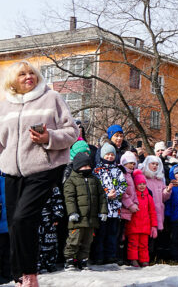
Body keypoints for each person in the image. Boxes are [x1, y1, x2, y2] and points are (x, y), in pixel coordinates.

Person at [0, 60, 79, 286]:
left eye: (32, 73)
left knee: (23, 218)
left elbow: (72, 132)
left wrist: (48, 138)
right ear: (13, 80)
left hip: (45, 168)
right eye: (22, 74)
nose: (28, 77)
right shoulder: (4, 106)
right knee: (16, 225)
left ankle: (30, 275)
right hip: (12, 171)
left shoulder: (51, 98)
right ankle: (19, 277)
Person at [63, 152, 108, 271]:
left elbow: (102, 196)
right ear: (78, 166)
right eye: (84, 166)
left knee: (87, 241)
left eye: (89, 165)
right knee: (74, 240)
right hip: (77, 218)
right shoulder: (71, 180)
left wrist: (103, 211)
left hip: (91, 218)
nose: (87, 168)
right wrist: (72, 212)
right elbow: (69, 198)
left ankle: (83, 260)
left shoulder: (94, 179)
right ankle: (69, 260)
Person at [91, 143, 127, 265]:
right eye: (108, 154)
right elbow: (95, 187)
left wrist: (116, 193)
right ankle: (99, 256)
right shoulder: (97, 170)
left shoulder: (117, 170)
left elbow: (123, 185)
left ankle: (111, 255)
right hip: (102, 209)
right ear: (102, 155)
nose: (110, 157)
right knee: (101, 234)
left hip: (115, 209)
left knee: (112, 234)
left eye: (112, 154)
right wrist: (107, 194)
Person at [125, 170, 158, 267]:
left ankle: (144, 260)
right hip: (133, 226)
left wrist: (154, 226)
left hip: (145, 227)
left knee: (144, 245)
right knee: (133, 244)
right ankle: (133, 260)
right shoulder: (133, 197)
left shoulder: (148, 197)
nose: (142, 186)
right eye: (139, 184)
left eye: (144, 184)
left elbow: (152, 212)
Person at [141, 155, 171, 260]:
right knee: (147, 234)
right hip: (146, 211)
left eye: (157, 164)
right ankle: (146, 256)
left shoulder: (160, 180)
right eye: (153, 164)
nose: (155, 166)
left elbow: (164, 197)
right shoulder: (143, 178)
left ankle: (154, 256)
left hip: (159, 211)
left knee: (157, 234)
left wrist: (167, 190)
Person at [36, 185, 64, 273]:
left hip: (49, 218)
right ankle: (37, 264)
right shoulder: (29, 181)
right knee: (35, 242)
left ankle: (50, 263)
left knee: (50, 241)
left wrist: (57, 216)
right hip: (34, 218)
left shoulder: (52, 185)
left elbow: (58, 200)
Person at [164, 165, 178, 262]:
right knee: (175, 238)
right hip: (174, 216)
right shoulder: (171, 186)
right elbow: (168, 201)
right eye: (177, 173)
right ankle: (175, 257)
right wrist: (168, 214)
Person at [0, 174, 10, 284]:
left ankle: (7, 274)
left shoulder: (7, 178)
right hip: (4, 222)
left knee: (8, 250)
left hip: (8, 223)